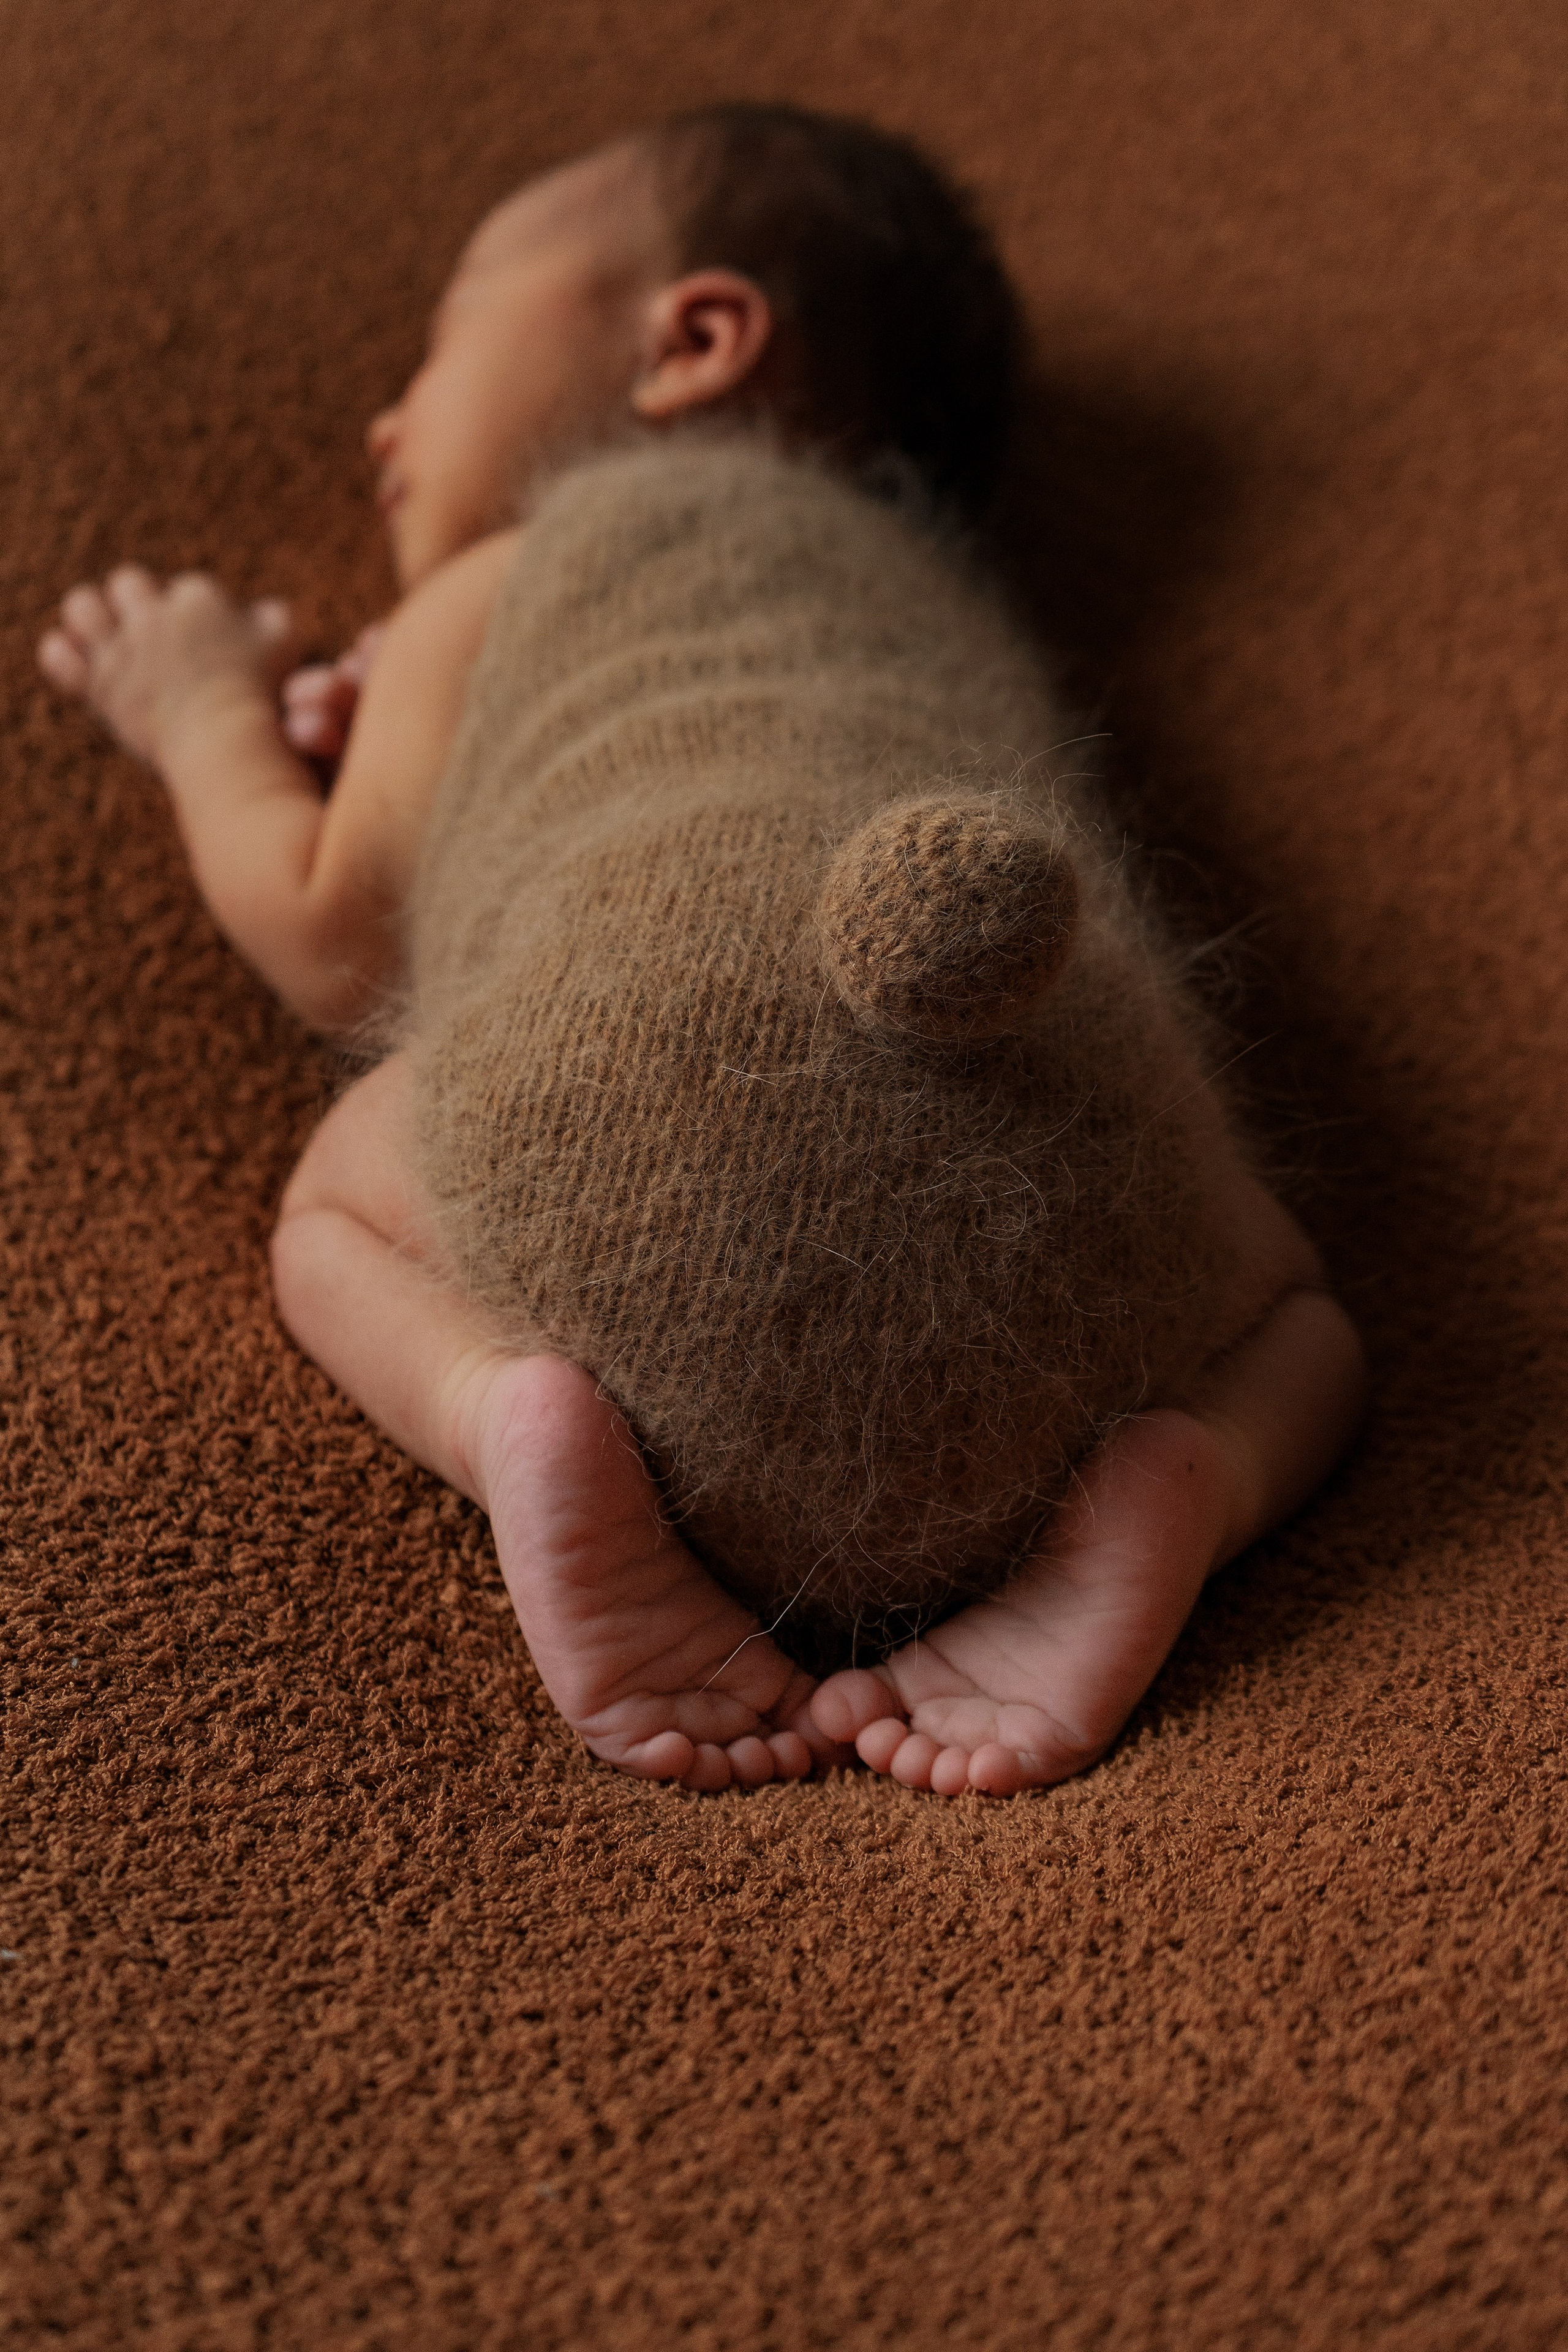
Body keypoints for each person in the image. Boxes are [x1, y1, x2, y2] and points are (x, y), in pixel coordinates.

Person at [37, 106, 1366, 1798]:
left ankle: (512, 1411)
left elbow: (324, 929)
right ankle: (1181, 1475)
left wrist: (200, 706)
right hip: (1065, 1191)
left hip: (634, 1156)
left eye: (445, 336)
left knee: (328, 1218)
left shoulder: (518, 566)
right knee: (1300, 1320)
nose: (388, 420)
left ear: (695, 341)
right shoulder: (934, 591)